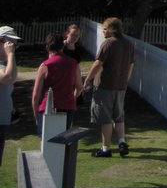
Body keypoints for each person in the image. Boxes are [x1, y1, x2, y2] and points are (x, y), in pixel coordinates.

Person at [83, 17, 135, 158]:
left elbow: (98, 63)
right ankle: (122, 141)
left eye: (105, 29)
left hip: (105, 86)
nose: (103, 31)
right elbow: (131, 65)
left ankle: (105, 148)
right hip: (120, 86)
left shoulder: (108, 44)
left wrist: (88, 79)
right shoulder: (129, 44)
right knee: (119, 116)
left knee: (105, 118)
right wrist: (125, 80)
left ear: (112, 29)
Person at [31, 33, 83, 134]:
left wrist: (36, 114)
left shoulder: (45, 66)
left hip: (48, 107)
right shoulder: (73, 63)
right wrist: (73, 97)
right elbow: (80, 87)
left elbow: (36, 95)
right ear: (62, 46)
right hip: (67, 106)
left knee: (47, 141)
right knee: (63, 140)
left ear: (47, 47)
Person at [0, 25, 20, 166]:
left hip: (3, 119)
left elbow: (10, 81)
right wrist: (11, 54)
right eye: (9, 42)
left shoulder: (6, 63)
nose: (12, 46)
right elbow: (7, 78)